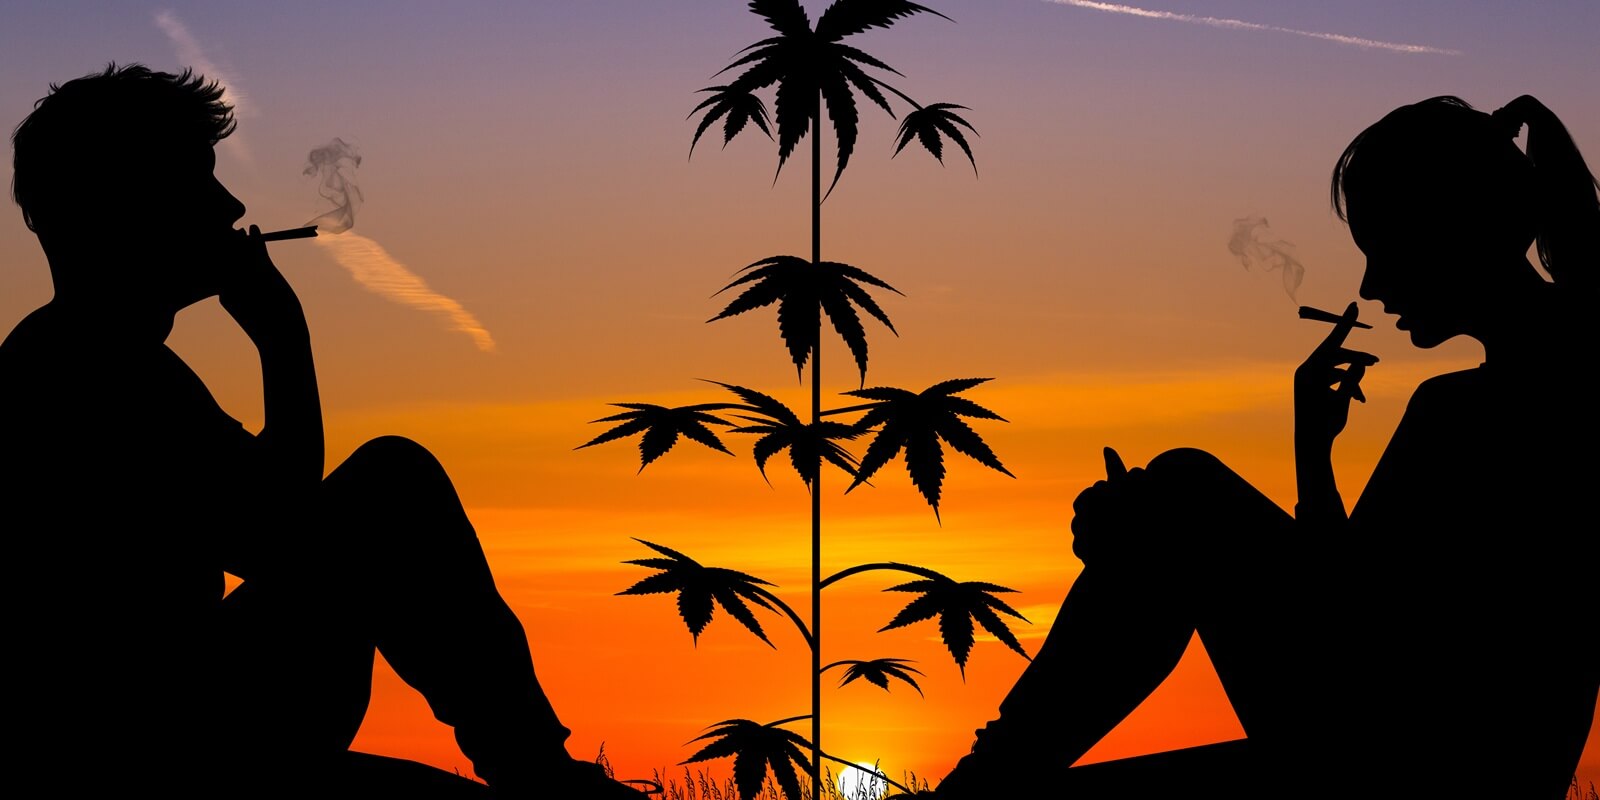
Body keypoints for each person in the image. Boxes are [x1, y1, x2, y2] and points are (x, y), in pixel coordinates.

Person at [928, 95, 1599, 799]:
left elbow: (1349, 623)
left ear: (1451, 230)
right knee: (1178, 496)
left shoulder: (1465, 411)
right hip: (1470, 755)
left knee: (1181, 492)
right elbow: (1359, 602)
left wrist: (1163, 532)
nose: (1370, 287)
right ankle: (989, 777)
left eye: (1383, 249)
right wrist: (1308, 455)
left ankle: (984, 779)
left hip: (1420, 764)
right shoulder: (1567, 362)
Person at [1, 64, 644, 799]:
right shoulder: (89, 369)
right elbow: (282, 531)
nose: (231, 204)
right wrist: (282, 338)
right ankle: (535, 770)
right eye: (197, 180)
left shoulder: (101, 358)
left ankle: (532, 767)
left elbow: (268, 516)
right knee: (392, 486)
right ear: (127, 206)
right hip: (149, 748)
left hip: (161, 728)